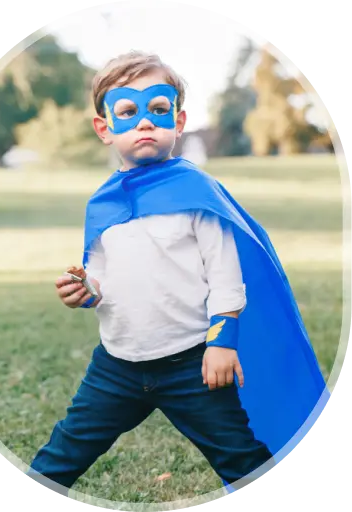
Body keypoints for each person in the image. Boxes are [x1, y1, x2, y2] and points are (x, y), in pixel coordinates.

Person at [25, 51, 329, 502]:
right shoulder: (103, 203)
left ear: (179, 120)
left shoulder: (195, 194)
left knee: (241, 459)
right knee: (63, 453)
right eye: (128, 111)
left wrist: (222, 342)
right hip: (117, 365)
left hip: (192, 364)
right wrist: (85, 290)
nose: (145, 121)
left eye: (158, 108)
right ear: (104, 128)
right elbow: (102, 279)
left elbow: (226, 275)